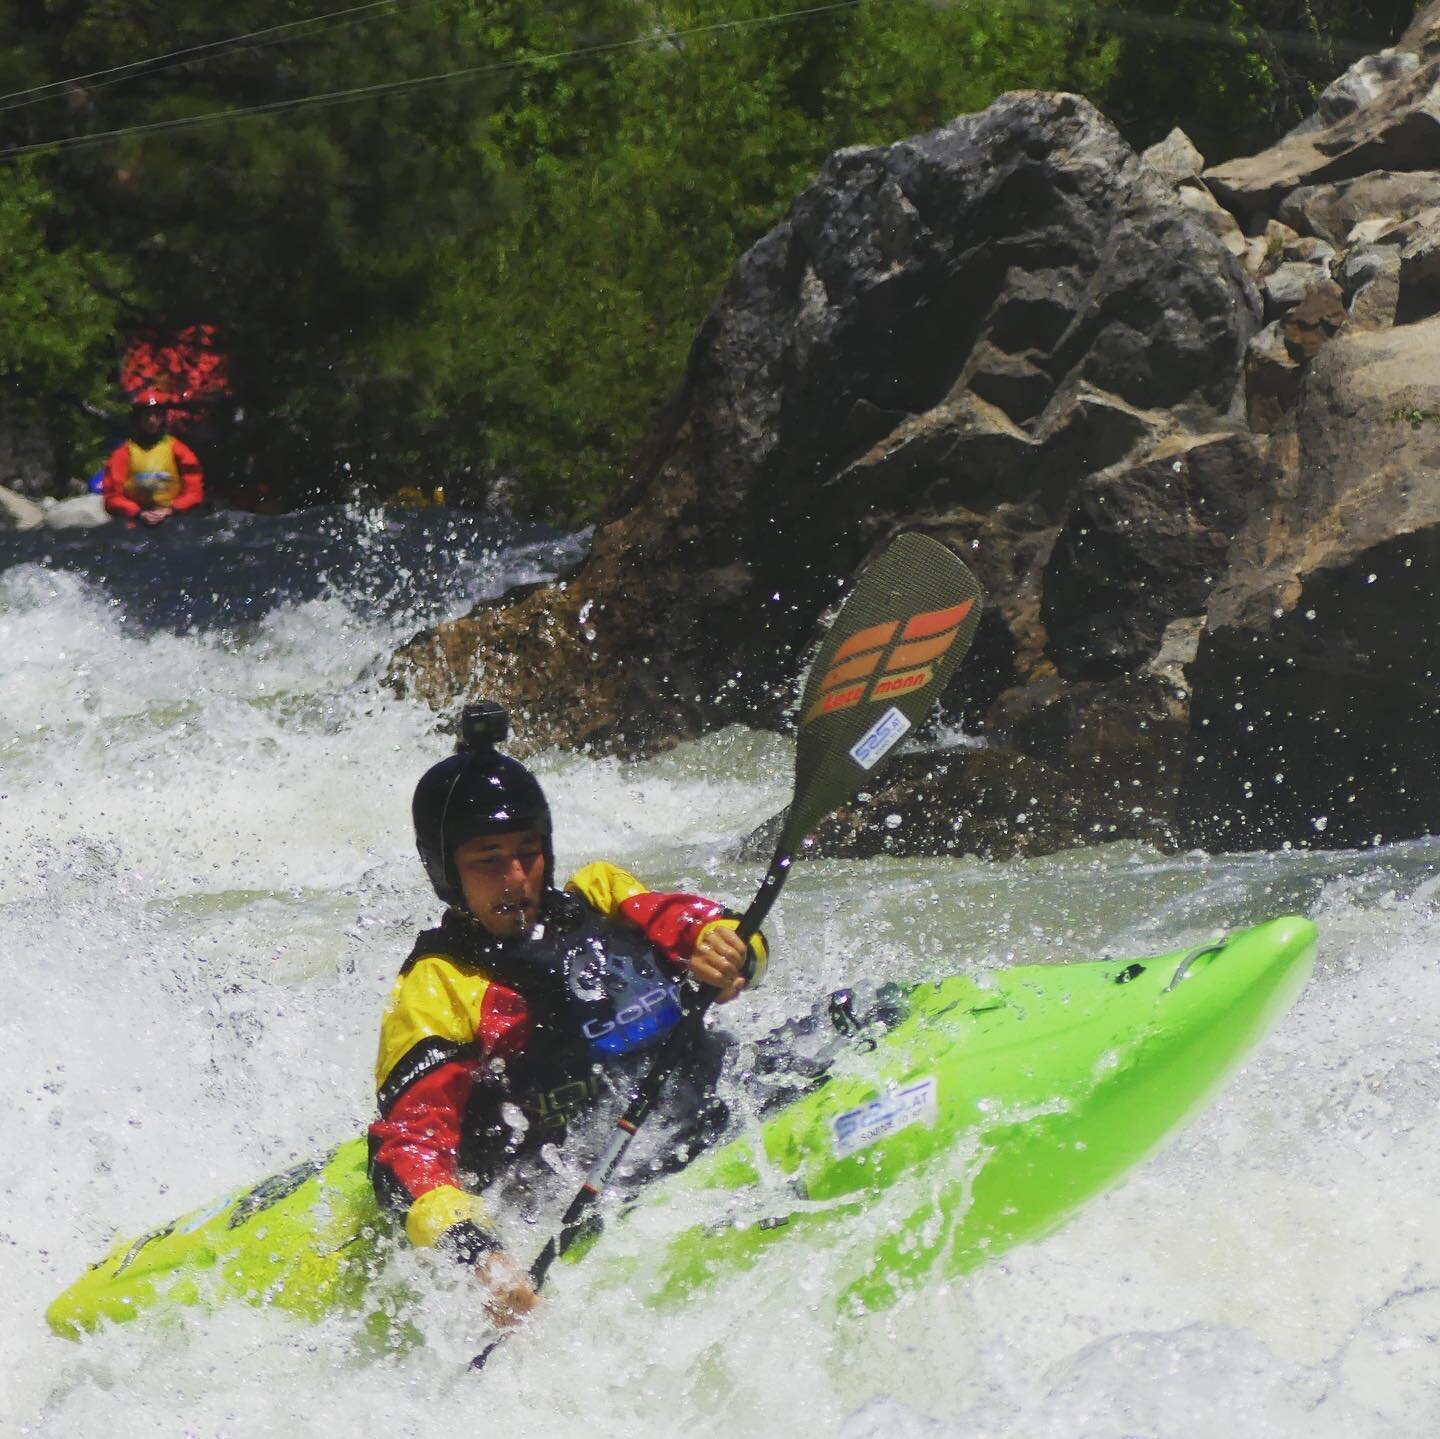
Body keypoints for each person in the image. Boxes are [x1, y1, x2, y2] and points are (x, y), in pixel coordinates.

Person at [368, 704, 769, 1330]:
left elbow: (706, 925)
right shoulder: (441, 986)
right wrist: (481, 1256)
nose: (516, 878)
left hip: (699, 1104)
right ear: (447, 871)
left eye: (528, 852)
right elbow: (408, 1150)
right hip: (564, 1179)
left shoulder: (602, 896)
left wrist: (730, 947)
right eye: (488, 860)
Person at [102, 392, 205, 526]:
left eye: (156, 415)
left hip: (173, 517)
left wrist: (171, 510)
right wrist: (139, 513)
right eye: (147, 415)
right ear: (138, 419)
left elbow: (194, 491)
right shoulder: (123, 453)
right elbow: (112, 497)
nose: (152, 420)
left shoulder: (179, 450)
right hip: (136, 519)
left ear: (163, 418)